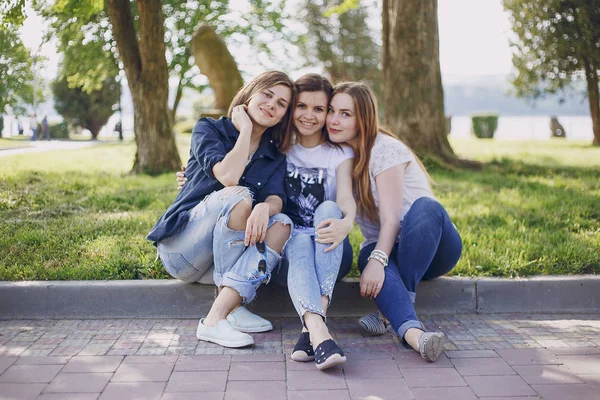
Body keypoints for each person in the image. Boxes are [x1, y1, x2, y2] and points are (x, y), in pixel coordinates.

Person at [177, 74, 357, 369]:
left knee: (326, 209)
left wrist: (348, 221)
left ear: (327, 113)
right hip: (289, 248)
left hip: (330, 246)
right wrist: (190, 177)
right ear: (291, 112)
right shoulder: (278, 148)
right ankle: (317, 332)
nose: (309, 115)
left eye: (319, 109)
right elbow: (235, 182)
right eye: (301, 106)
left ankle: (312, 328)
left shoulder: (338, 153)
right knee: (296, 235)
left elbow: (345, 198)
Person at [148, 71, 296, 348]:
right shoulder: (210, 129)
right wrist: (247, 131)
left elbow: (276, 196)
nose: (271, 105)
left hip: (218, 265)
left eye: (281, 104)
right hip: (182, 251)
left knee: (282, 221)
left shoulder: (274, 154)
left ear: (283, 116)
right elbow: (228, 176)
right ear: (250, 93)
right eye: (267, 94)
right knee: (239, 195)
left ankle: (231, 305)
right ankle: (218, 319)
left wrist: (265, 207)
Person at [328, 82, 462, 362]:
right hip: (384, 247)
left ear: (363, 118)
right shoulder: (340, 157)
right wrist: (375, 258)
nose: (333, 119)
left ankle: (392, 308)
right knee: (369, 254)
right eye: (331, 111)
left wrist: (378, 261)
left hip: (431, 245)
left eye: (345, 113)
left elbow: (391, 220)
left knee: (426, 207)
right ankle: (417, 336)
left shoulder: (385, 150)